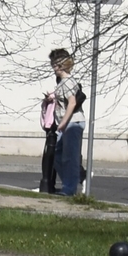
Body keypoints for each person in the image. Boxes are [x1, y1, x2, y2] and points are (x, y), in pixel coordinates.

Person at [41, 48, 85, 196]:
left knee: (69, 158)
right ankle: (72, 181)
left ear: (62, 64)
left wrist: (64, 122)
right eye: (53, 64)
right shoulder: (62, 83)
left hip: (72, 124)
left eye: (55, 64)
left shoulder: (67, 82)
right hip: (66, 124)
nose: (54, 68)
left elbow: (72, 103)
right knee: (58, 156)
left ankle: (70, 189)